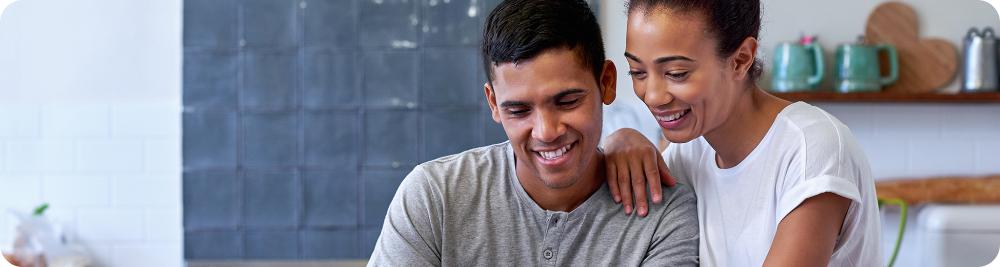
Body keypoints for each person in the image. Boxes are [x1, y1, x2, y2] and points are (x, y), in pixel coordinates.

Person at [368, 0, 699, 265]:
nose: (546, 131)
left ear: (606, 83)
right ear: (493, 103)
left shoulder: (663, 214)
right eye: (519, 110)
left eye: (567, 101)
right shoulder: (433, 197)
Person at [601, 0, 883, 265]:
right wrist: (617, 142)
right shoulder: (686, 155)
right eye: (637, 72)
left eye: (676, 73)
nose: (652, 96)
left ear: (741, 59)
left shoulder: (812, 148)